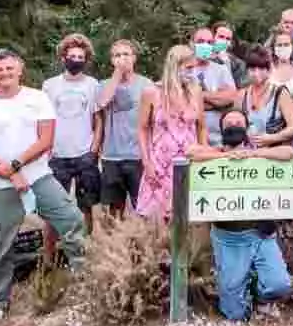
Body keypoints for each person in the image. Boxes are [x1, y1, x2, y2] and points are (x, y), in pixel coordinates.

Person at [0, 49, 87, 326]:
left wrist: (16, 165)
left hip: (38, 177)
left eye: (9, 68)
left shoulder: (37, 98)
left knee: (71, 220)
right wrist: (10, 175)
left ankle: (84, 278)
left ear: (20, 69)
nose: (4, 74)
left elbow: (45, 140)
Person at [190, 110, 293, 320]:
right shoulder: (214, 152)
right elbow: (191, 152)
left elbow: (289, 152)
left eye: (239, 122)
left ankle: (259, 292)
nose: (234, 125)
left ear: (247, 127)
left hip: (260, 233)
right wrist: (226, 156)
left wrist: (253, 154)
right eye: (229, 122)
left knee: (279, 285)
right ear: (221, 129)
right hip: (228, 237)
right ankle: (236, 293)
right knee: (234, 314)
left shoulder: (258, 153)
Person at [42, 33, 102, 261]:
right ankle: (49, 258)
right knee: (52, 209)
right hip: (57, 155)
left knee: (85, 207)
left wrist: (94, 150)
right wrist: (46, 150)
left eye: (80, 57)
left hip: (84, 153)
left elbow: (99, 120)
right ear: (63, 58)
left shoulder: (92, 85)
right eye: (71, 56)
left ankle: (83, 253)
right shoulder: (50, 86)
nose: (75, 60)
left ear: (86, 60)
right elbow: (44, 120)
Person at [136, 45, 206, 221]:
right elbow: (142, 128)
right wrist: (147, 162)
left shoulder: (195, 91)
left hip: (189, 161)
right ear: (175, 67)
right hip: (160, 163)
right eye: (188, 68)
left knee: (187, 218)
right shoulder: (151, 92)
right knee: (156, 222)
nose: (192, 72)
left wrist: (204, 154)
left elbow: (201, 126)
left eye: (194, 68)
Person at [95, 39, 152, 220]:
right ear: (112, 60)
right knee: (114, 209)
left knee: (142, 206)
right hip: (112, 156)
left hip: (138, 155)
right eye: (117, 55)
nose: (122, 59)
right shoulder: (103, 85)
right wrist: (117, 75)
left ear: (134, 58)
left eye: (126, 54)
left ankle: (145, 243)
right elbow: (103, 102)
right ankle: (117, 245)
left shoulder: (146, 84)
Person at [237, 44, 293, 146]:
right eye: (252, 69)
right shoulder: (242, 95)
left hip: (274, 152)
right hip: (249, 153)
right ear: (247, 70)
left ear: (269, 69)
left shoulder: (280, 92)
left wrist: (272, 138)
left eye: (261, 68)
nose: (256, 73)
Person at [191, 27, 238, 147]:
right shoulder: (184, 70)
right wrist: (215, 99)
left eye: (209, 42)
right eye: (200, 42)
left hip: (218, 138)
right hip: (190, 137)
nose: (205, 45)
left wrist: (200, 95)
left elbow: (230, 97)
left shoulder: (221, 69)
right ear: (192, 44)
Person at [265, 27, 293, 101]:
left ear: (292, 46)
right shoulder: (267, 70)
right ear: (273, 48)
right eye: (279, 45)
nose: (283, 47)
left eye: (286, 44)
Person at [212, 21, 248, 88]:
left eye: (228, 39)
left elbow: (238, 90)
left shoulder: (238, 64)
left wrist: (226, 63)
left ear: (230, 43)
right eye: (221, 37)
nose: (224, 41)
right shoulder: (202, 58)